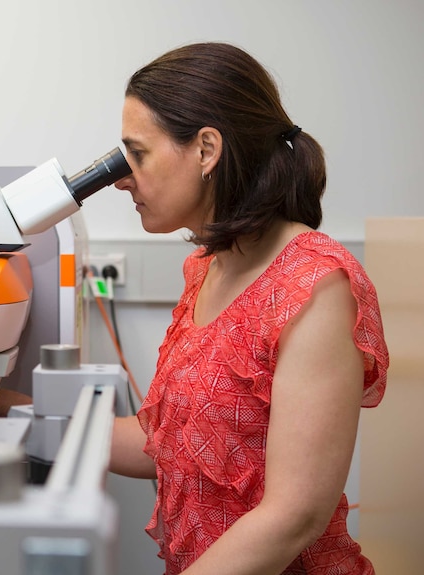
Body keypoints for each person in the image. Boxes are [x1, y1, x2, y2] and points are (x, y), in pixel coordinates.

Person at [108, 42, 389, 575]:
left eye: (137, 154)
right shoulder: (210, 266)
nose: (122, 179)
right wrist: (11, 413)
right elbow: (173, 442)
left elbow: (294, 516)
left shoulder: (315, 286)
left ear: (207, 150)